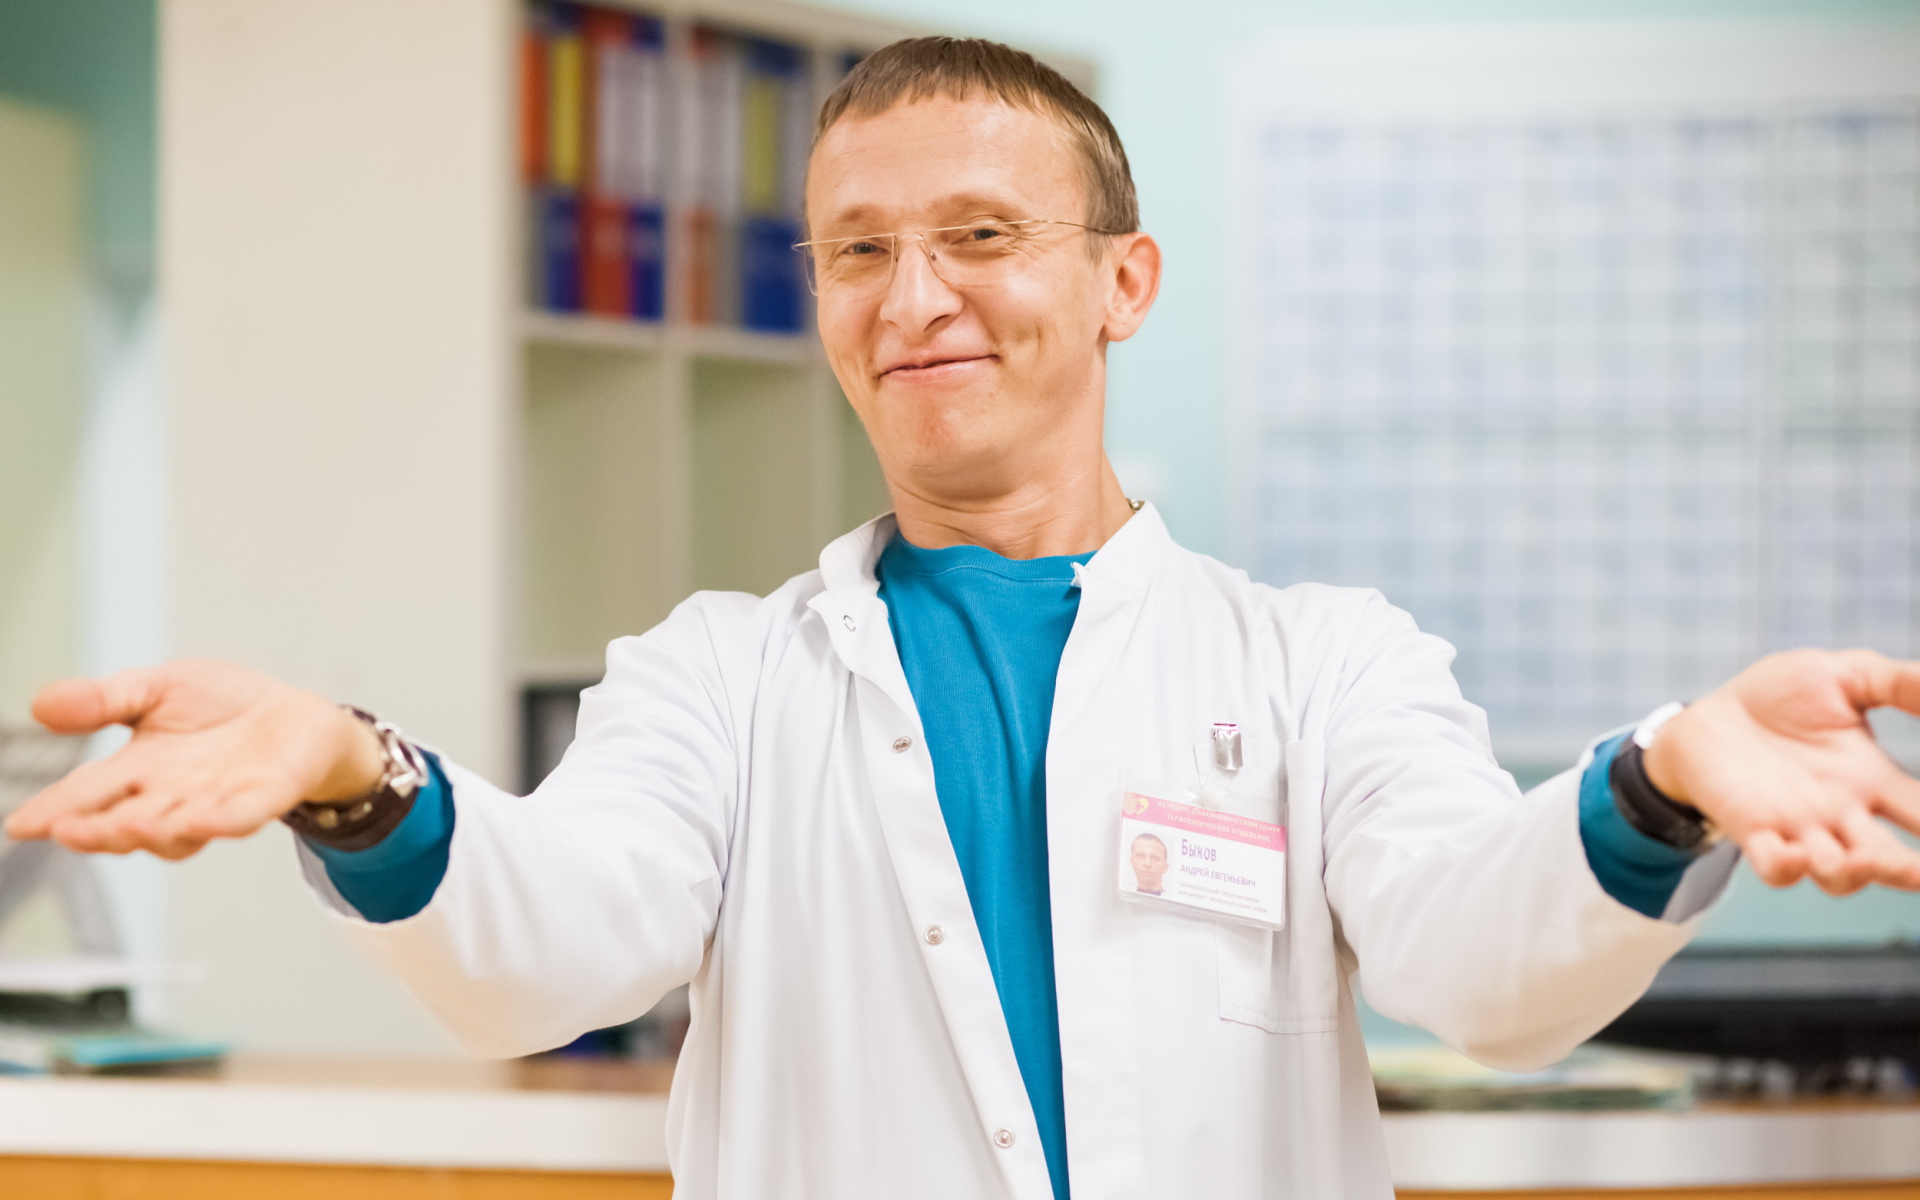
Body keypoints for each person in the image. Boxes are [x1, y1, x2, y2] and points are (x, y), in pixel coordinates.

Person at [9, 36, 1920, 1200]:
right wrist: (356, 776)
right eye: (859, 250)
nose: (913, 296)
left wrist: (1662, 780)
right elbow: (546, 954)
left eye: (983, 237)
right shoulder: (716, 676)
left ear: (1122, 283)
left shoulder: (1323, 663)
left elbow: (1478, 969)